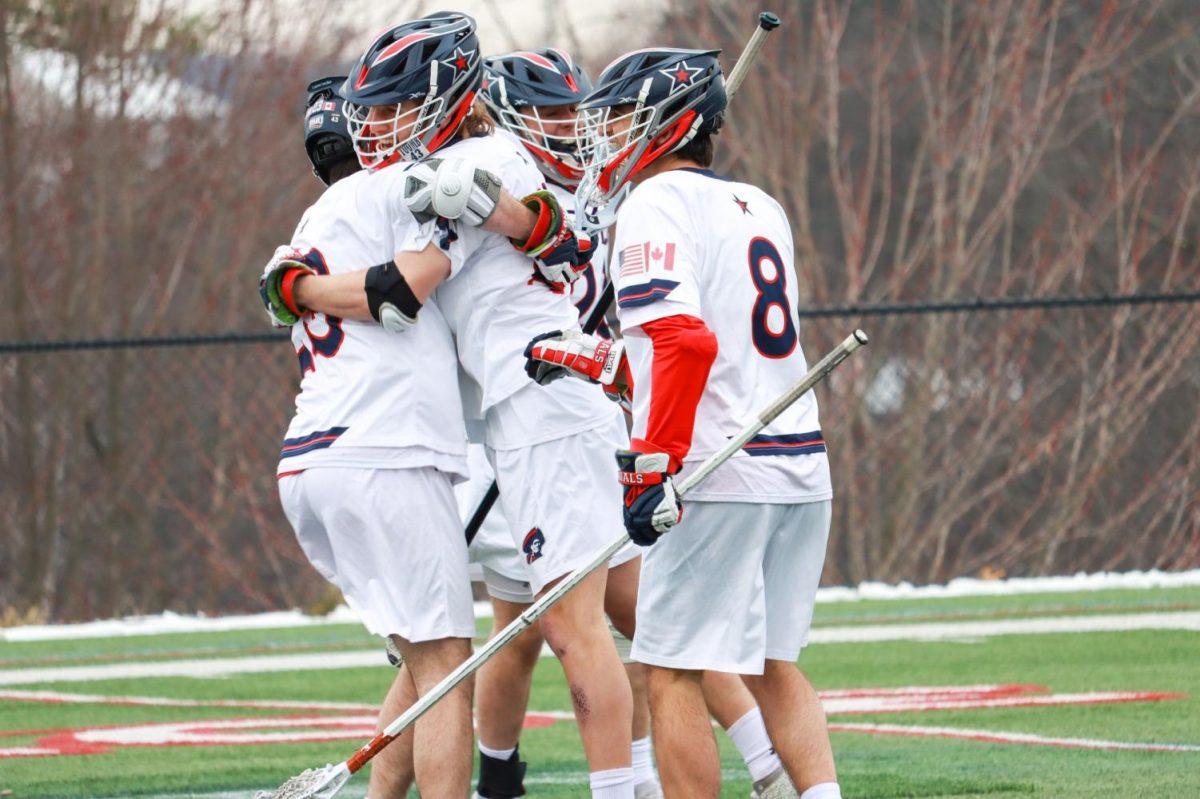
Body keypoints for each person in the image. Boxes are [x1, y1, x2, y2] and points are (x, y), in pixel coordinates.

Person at [266, 13, 639, 797]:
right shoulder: (421, 182)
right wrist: (513, 215)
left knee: (557, 634)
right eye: (367, 115)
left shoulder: (361, 202)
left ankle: (653, 779)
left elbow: (417, 279)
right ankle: (738, 756)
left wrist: (292, 287)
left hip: (500, 414)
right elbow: (408, 290)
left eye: (390, 108)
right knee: (473, 653)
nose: (377, 127)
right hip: (459, 430)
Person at [545, 47, 843, 799]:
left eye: (618, 118)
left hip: (720, 471)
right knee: (772, 663)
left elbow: (684, 342)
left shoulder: (654, 205)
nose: (604, 136)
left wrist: (652, 463)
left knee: (672, 668)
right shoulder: (760, 204)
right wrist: (602, 362)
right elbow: (708, 350)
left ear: (666, 124)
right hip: (799, 466)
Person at [264, 41, 483, 797]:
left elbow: (285, 286)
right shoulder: (408, 187)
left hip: (314, 462)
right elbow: (404, 290)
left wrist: (310, 290)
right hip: (384, 451)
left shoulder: (320, 212)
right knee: (451, 663)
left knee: (426, 662)